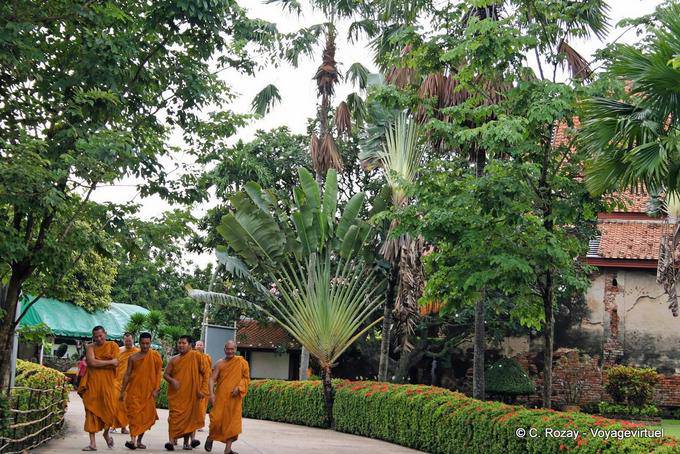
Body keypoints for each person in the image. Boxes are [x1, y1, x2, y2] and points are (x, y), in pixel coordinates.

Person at [163, 335, 210, 451]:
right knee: (174, 417)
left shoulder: (196, 356)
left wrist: (203, 390)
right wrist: (172, 380)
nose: (181, 345)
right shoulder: (174, 359)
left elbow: (206, 373)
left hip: (192, 394)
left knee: (189, 418)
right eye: (179, 343)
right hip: (177, 395)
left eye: (184, 343)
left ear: (190, 345)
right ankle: (171, 441)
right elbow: (165, 374)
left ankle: (186, 443)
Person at [119, 332, 163, 450]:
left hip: (148, 393)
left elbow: (159, 373)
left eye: (147, 343)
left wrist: (157, 389)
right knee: (134, 416)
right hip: (134, 392)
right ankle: (132, 440)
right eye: (143, 343)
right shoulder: (133, 358)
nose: (145, 346)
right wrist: (122, 391)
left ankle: (139, 441)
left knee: (144, 418)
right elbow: (127, 375)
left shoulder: (155, 356)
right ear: (139, 343)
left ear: (150, 343)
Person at [204, 341, 250, 454]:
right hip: (220, 397)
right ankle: (210, 437)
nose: (230, 351)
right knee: (215, 420)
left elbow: (246, 378)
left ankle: (228, 449)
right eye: (228, 349)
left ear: (235, 349)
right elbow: (212, 379)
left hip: (234, 399)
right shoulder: (220, 363)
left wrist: (239, 387)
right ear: (224, 349)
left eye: (232, 349)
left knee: (232, 424)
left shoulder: (242, 362)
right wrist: (211, 394)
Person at [78, 326, 119, 451]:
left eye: (101, 336)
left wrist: (99, 362)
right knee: (91, 411)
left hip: (108, 385)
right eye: (96, 337)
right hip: (93, 384)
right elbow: (91, 362)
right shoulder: (90, 347)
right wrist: (108, 362)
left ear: (105, 334)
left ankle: (106, 433)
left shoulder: (113, 346)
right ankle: (92, 443)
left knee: (110, 411)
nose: (98, 339)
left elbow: (116, 363)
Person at [113, 333, 140, 434]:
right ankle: (115, 425)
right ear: (123, 340)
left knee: (127, 406)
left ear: (133, 340)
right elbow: (115, 365)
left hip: (131, 383)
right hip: (118, 381)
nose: (128, 343)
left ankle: (124, 427)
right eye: (126, 341)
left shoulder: (137, 352)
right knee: (117, 405)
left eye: (130, 341)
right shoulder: (119, 351)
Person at [191, 340, 212, 443]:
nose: (199, 346)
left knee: (202, 406)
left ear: (203, 346)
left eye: (200, 345)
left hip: (203, 385)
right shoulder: (191, 356)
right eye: (197, 344)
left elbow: (208, 372)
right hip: (192, 385)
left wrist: (208, 386)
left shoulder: (207, 357)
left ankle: (199, 424)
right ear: (195, 346)